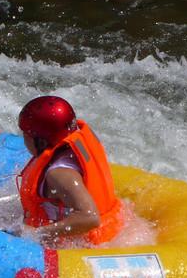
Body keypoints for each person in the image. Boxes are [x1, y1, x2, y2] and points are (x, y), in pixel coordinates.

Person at [15, 95, 124, 246]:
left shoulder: (59, 174)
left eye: (26, 135)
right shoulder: (71, 149)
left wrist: (37, 234)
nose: (24, 139)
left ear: (41, 141)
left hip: (89, 246)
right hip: (113, 229)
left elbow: (89, 218)